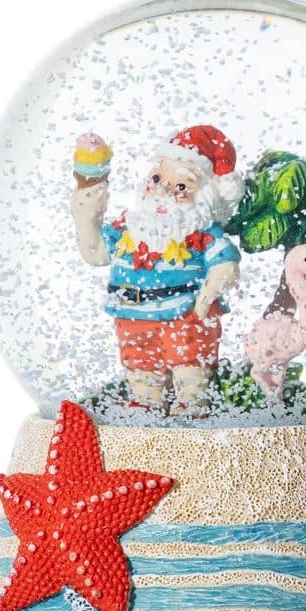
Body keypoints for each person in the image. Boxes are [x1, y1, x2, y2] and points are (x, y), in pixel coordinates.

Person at [70, 125, 244, 415]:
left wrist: (210, 291)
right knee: (140, 361)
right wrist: (86, 206)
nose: (163, 191)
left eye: (181, 187)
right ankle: (146, 401)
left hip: (187, 314)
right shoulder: (129, 227)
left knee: (190, 361)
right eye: (156, 179)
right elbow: (96, 253)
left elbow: (226, 264)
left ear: (204, 197)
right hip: (132, 312)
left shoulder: (201, 233)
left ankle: (191, 400)